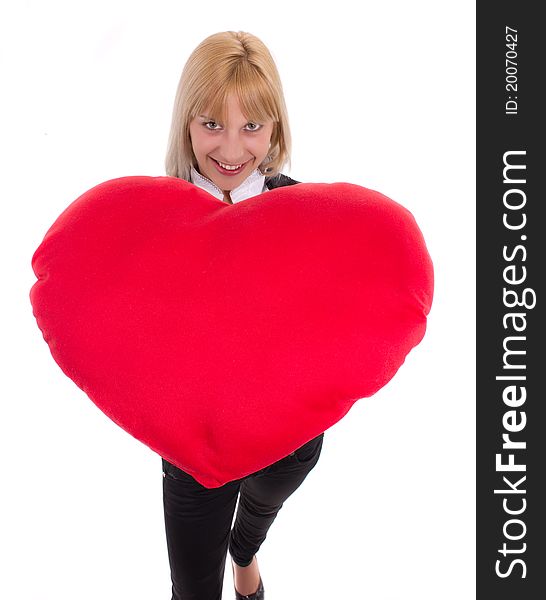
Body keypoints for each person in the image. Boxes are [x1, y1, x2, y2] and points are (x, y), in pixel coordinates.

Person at [162, 31, 325, 600]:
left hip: (286, 439)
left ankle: (245, 552)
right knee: (192, 591)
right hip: (194, 451)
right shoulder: (154, 220)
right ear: (186, 123)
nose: (231, 148)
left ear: (275, 128)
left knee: (255, 514)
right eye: (212, 124)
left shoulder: (308, 217)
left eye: (251, 126)